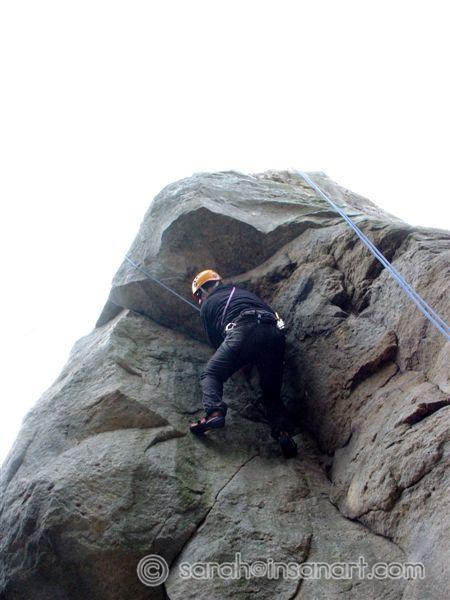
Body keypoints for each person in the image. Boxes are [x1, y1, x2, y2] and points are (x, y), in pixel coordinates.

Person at [189, 269, 298, 458]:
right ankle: (283, 433)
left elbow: (217, 343)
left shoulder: (207, 306)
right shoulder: (245, 293)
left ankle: (214, 413)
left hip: (243, 331)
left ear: (203, 291)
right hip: (274, 334)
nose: (200, 301)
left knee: (211, 374)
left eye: (199, 297)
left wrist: (240, 362)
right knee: (271, 393)